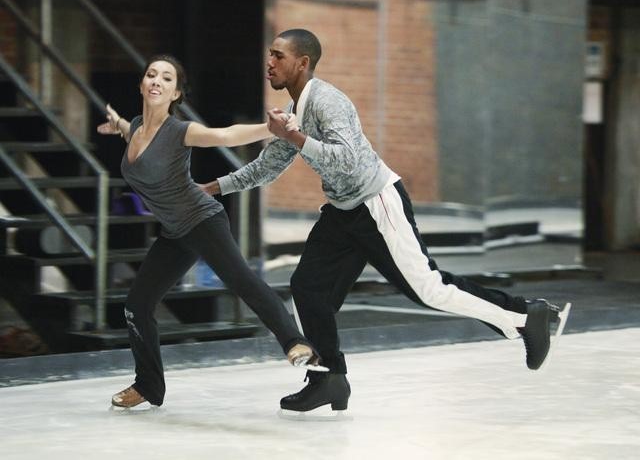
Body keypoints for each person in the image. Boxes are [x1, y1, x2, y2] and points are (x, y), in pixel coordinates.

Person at [199, 29, 568, 413]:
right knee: (309, 288)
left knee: (427, 289)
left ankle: (525, 315)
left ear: (302, 63)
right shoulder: (296, 113)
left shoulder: (328, 101)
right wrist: (211, 188)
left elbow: (347, 160)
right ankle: (329, 378)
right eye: (269, 55)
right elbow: (267, 167)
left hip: (377, 202)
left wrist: (295, 138)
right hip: (343, 211)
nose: (269, 63)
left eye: (278, 56)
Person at [97, 54, 321, 409]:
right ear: (142, 85)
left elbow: (225, 135)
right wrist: (122, 126)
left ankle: (296, 342)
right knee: (136, 306)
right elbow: (138, 139)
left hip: (202, 220)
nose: (156, 81)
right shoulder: (137, 127)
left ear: (175, 94)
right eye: (151, 75)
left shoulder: (180, 131)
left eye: (166, 78)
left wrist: (271, 129)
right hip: (174, 231)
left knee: (242, 281)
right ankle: (148, 386)